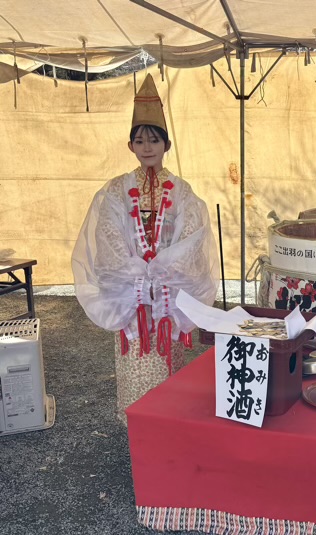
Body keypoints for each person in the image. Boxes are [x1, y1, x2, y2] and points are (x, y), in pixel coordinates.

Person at [72, 74, 218, 424]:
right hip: (131, 295)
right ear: (130, 146)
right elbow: (107, 233)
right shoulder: (117, 189)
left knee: (167, 380)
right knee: (136, 370)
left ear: (166, 144)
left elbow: (193, 235)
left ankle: (167, 426)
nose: (147, 147)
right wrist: (134, 268)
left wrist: (166, 267)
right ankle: (138, 427)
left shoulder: (181, 191)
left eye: (154, 140)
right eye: (140, 140)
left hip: (168, 294)